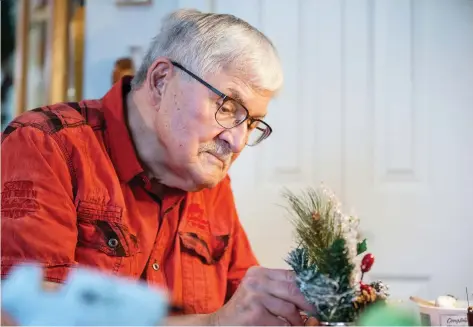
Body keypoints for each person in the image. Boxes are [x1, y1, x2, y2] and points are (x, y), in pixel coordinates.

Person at [1, 9, 317, 326]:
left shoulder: (211, 184)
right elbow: (25, 319)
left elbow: (246, 312)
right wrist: (214, 324)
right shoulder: (46, 146)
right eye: (228, 106)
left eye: (250, 123)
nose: (236, 142)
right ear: (161, 80)